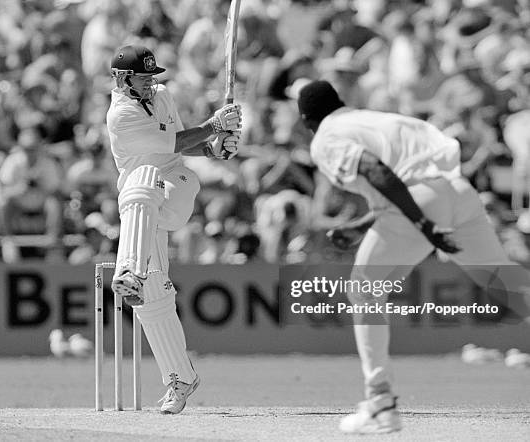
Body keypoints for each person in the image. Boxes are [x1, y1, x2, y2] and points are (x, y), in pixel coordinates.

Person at [296, 80, 530, 434]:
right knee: (508, 288)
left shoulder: (325, 138)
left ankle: (380, 402)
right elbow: (408, 175)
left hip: (421, 203)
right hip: (459, 192)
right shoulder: (373, 119)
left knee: (363, 291)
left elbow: (376, 169)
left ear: (305, 119)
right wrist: (363, 225)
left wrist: (421, 221)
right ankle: (380, 402)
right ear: (340, 102)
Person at [106, 44, 241, 414]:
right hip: (142, 207)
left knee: (147, 175)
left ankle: (127, 268)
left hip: (176, 186)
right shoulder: (120, 116)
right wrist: (215, 127)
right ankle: (180, 379)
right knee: (154, 292)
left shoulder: (162, 95)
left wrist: (213, 149)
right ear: (122, 78)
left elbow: (181, 145)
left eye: (153, 77)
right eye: (143, 78)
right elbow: (179, 140)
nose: (151, 84)